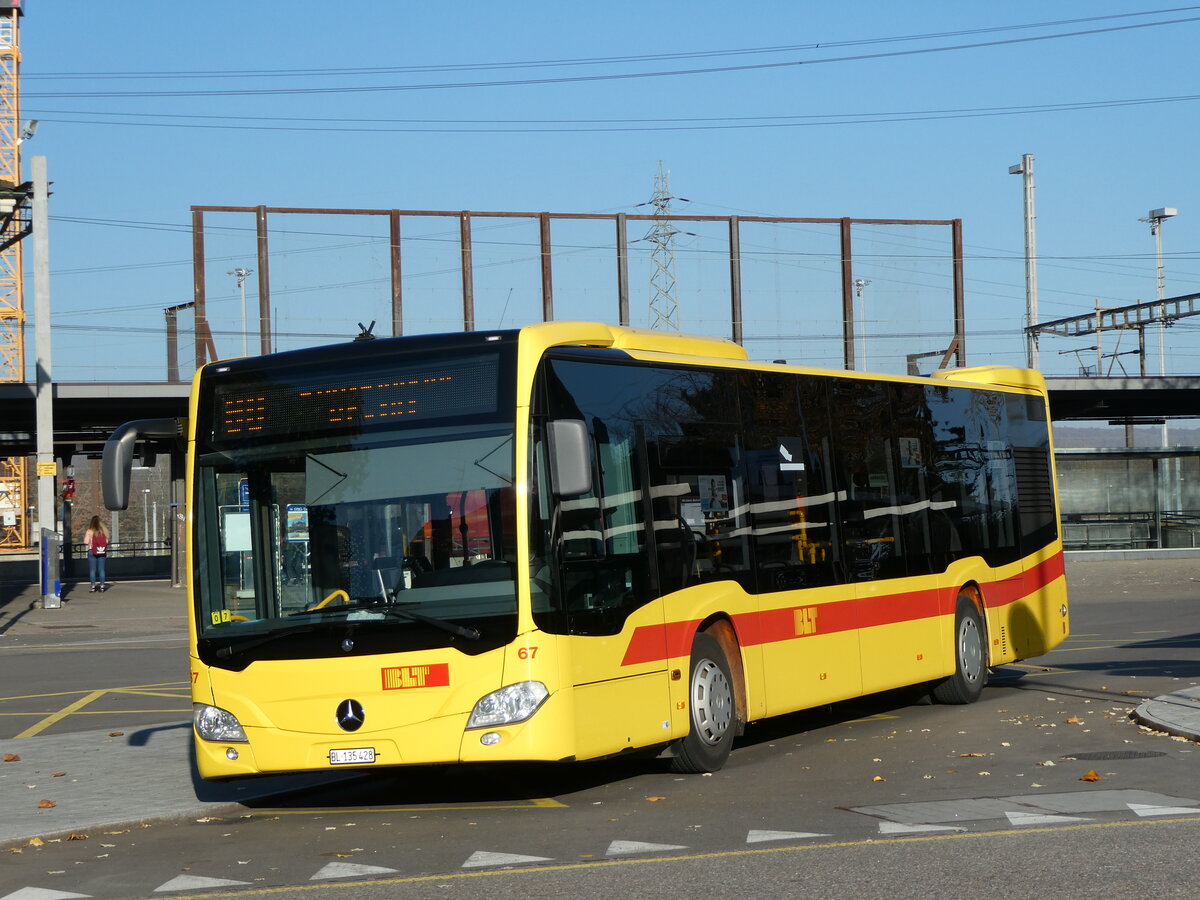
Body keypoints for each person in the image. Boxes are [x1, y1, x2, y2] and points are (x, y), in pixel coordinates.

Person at [84, 515, 110, 593]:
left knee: (92, 570)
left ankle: (93, 587)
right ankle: (102, 587)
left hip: (92, 551)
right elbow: (106, 542)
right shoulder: (103, 530)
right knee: (101, 569)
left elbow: (85, 542)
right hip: (101, 551)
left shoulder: (89, 531)